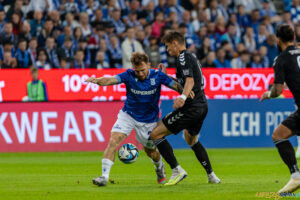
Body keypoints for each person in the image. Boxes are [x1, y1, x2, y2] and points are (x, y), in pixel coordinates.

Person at [86, 52, 187, 187]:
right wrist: (97, 80)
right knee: (113, 140)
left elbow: (177, 87)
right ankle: (104, 176)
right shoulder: (129, 75)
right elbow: (110, 80)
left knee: (151, 153)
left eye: (142, 70)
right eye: (137, 70)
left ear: (149, 65)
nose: (139, 73)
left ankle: (159, 167)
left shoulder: (158, 76)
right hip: (128, 115)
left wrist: (187, 94)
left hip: (149, 121)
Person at [149, 31, 221, 186]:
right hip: (202, 105)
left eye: (168, 47)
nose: (168, 50)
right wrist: (167, 78)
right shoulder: (190, 57)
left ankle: (176, 170)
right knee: (190, 138)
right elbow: (185, 84)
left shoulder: (183, 57)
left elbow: (189, 81)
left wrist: (182, 97)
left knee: (155, 134)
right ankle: (211, 175)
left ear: (175, 43)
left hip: (191, 108)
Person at [260, 25, 300, 193]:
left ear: (278, 39)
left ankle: (296, 176)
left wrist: (267, 94)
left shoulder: (281, 59)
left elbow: (277, 90)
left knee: (278, 135)